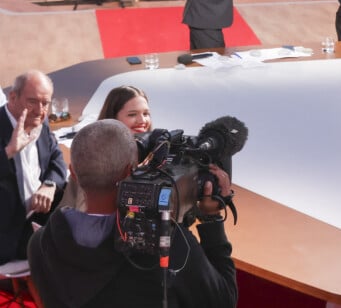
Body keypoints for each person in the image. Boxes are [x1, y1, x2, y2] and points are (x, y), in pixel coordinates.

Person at [28, 119, 238, 308]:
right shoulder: (167, 244)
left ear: (73, 172)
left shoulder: (40, 243)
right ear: (131, 172)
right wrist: (212, 219)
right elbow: (224, 300)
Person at [0, 70, 67, 264]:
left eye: (45, 103)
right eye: (32, 101)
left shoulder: (40, 121)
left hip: (39, 219)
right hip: (8, 235)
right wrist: (9, 152)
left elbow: (57, 158)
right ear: (13, 96)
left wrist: (49, 184)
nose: (40, 110)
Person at [59, 85, 153, 210]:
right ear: (112, 118)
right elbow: (85, 213)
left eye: (146, 113)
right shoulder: (93, 160)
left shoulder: (157, 154)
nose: (142, 120)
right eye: (132, 114)